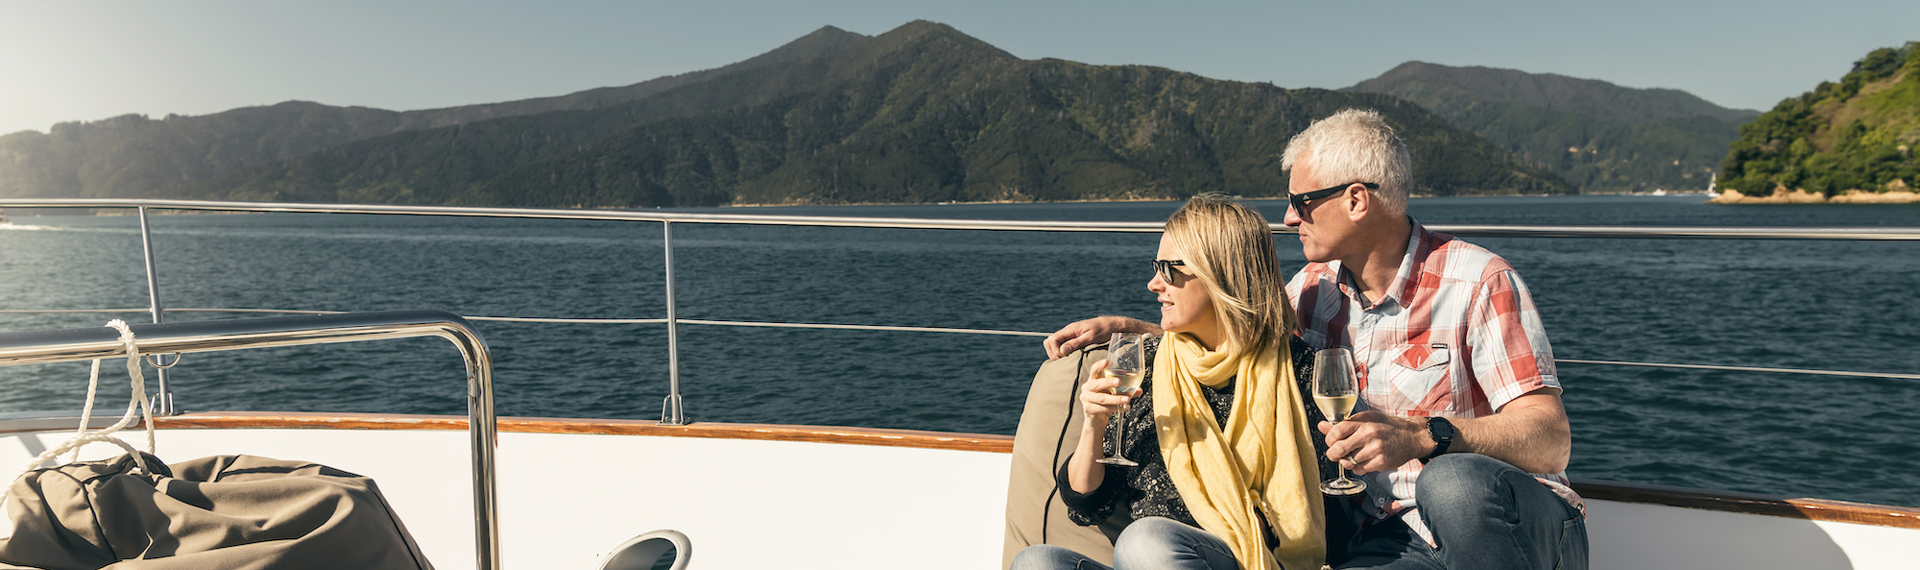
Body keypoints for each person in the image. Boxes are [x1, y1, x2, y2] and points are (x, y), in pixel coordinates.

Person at [1042, 109, 1588, 570]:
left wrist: (1426, 436)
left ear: (1356, 200)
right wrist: (1138, 332)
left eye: (1302, 202)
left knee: (1451, 483)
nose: (1287, 217)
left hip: (1510, 530)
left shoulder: (1478, 282)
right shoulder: (1310, 290)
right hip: (1387, 541)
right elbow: (1234, 328)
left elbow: (1550, 439)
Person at [1012, 196, 1332, 570]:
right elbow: (1088, 502)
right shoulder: (1150, 364)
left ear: (1221, 273)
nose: (1153, 284)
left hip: (1234, 560)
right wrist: (1094, 425)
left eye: (1169, 269)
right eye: (1155, 267)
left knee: (1146, 543)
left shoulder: (1298, 371)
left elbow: (1326, 500)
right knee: (1039, 562)